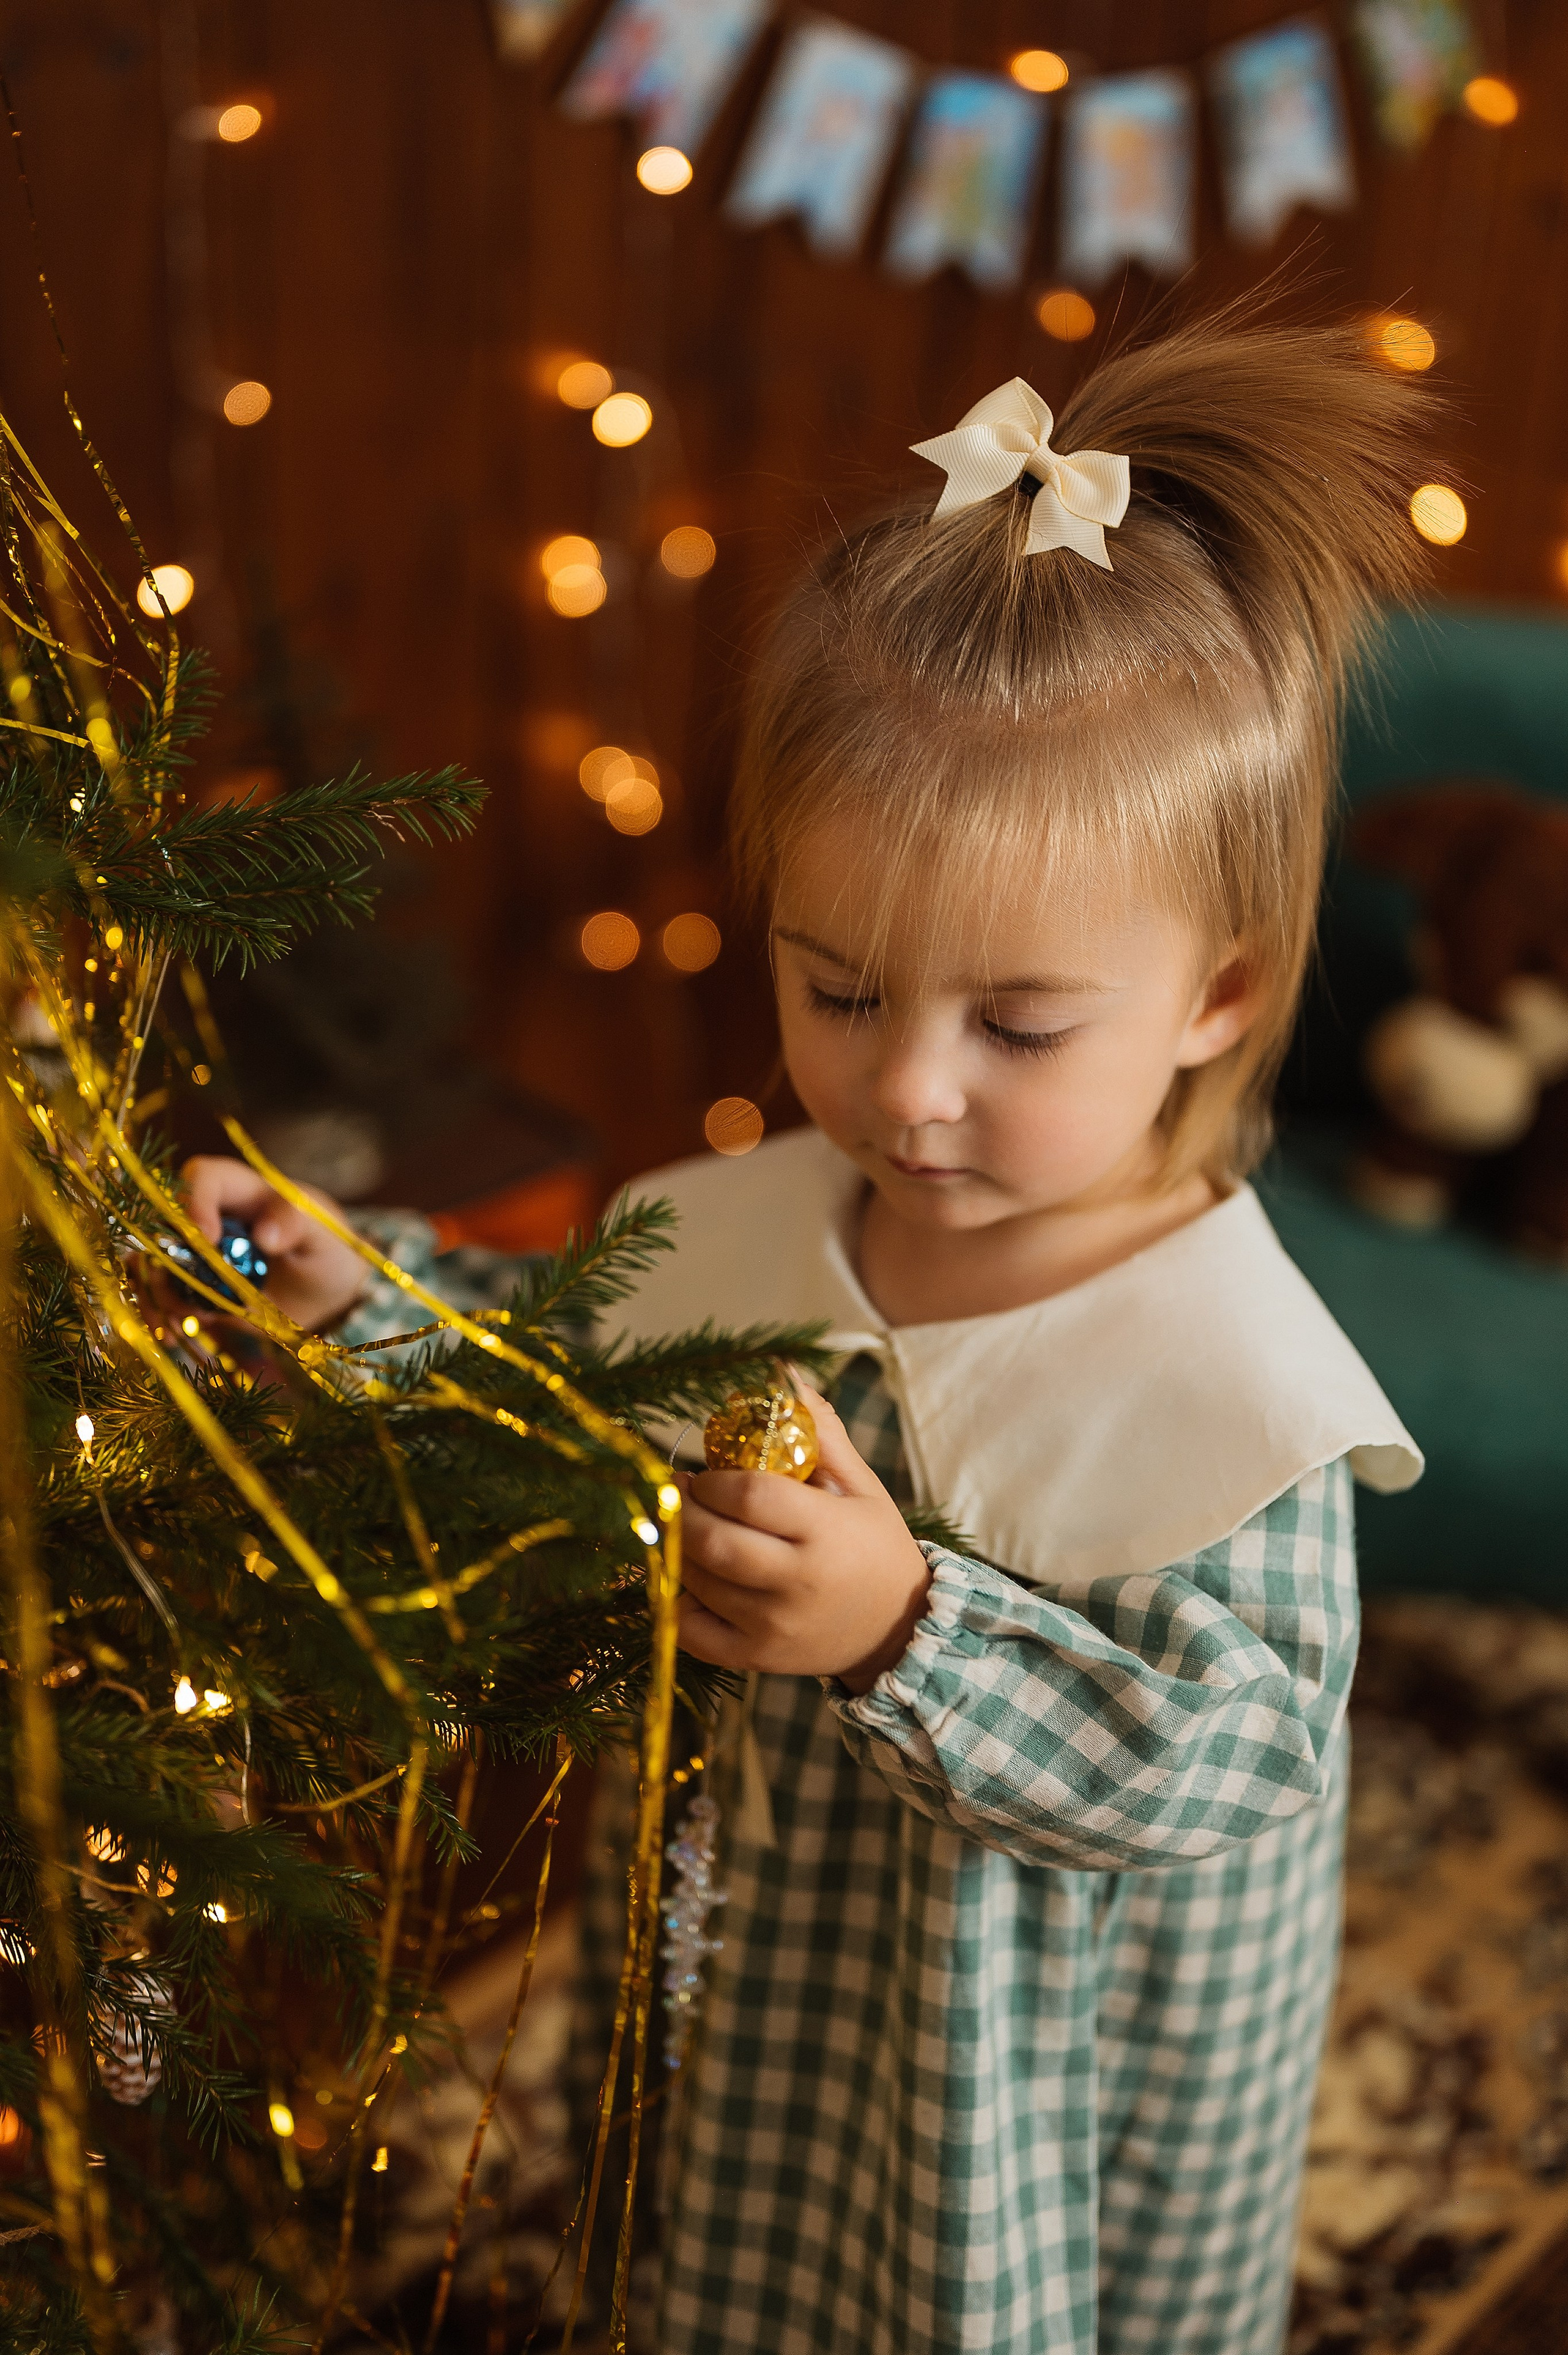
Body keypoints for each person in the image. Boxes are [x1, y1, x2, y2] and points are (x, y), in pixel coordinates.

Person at [186, 316, 1433, 2355]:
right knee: (738, 2248)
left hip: (1037, 2066)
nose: (909, 1089)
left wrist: (908, 1625)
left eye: (1017, 1026)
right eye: (839, 988)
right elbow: (560, 1347)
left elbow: (1251, 1750)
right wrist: (363, 1290)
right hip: (759, 1963)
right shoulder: (767, 1224)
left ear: (1219, 991)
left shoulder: (1232, 1383)